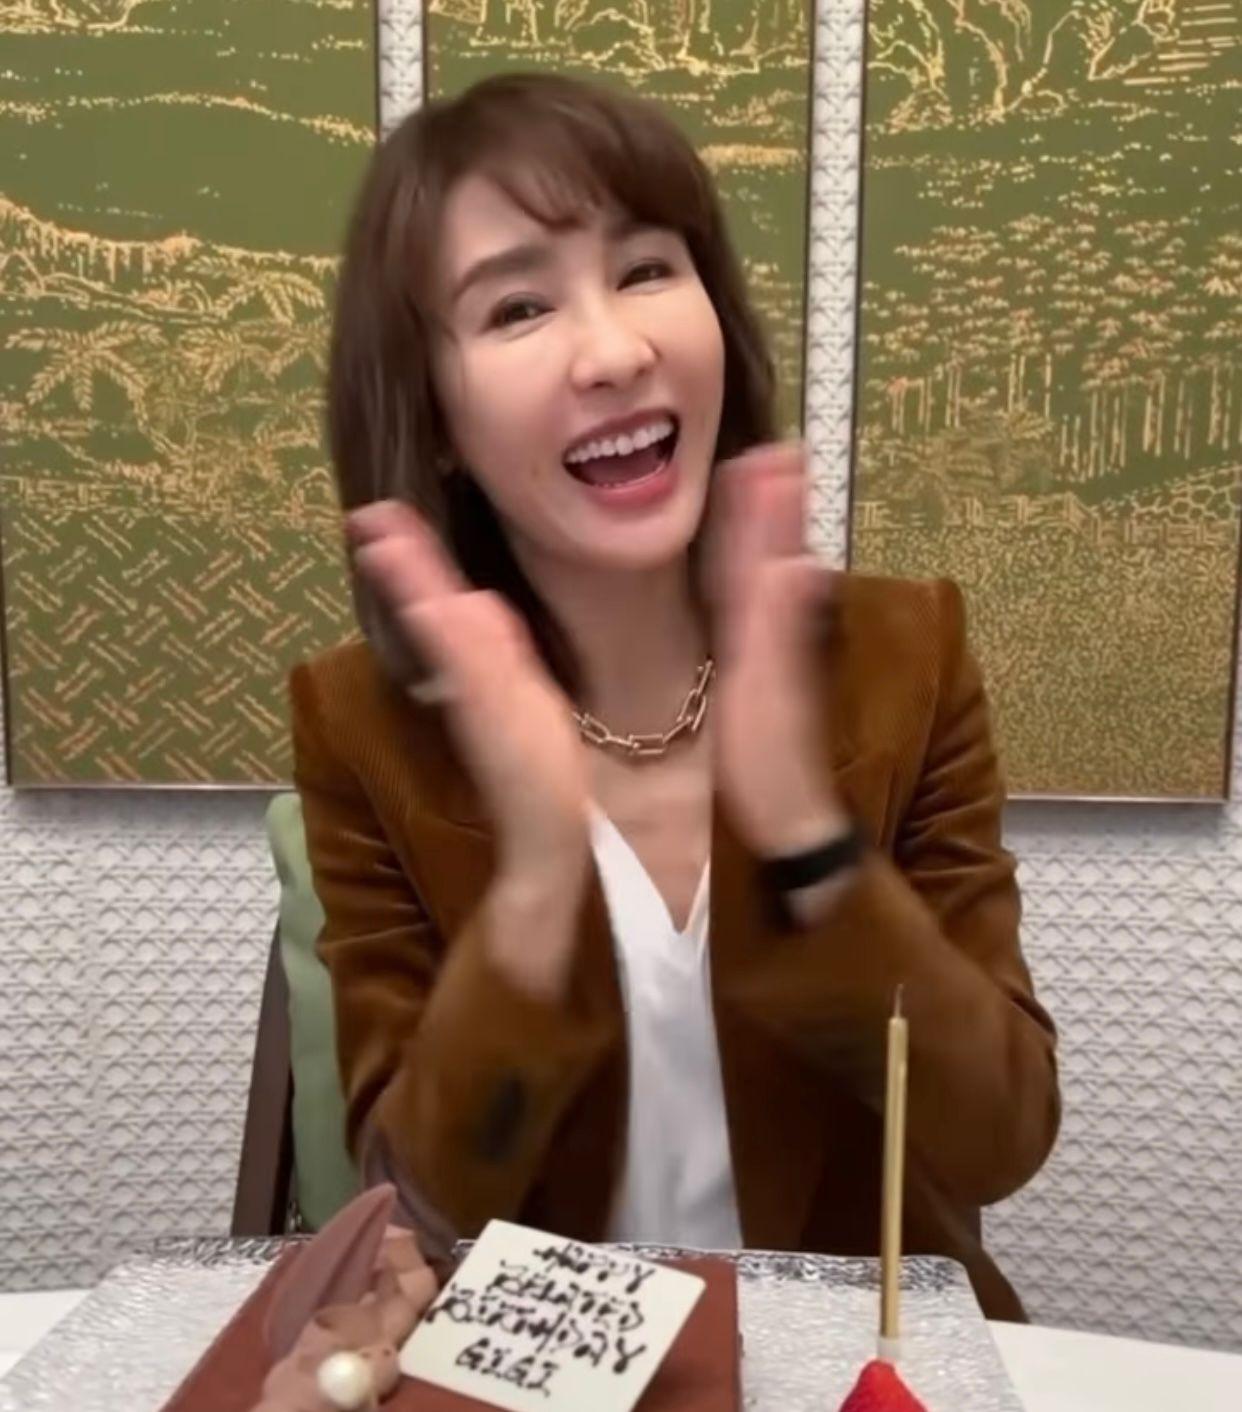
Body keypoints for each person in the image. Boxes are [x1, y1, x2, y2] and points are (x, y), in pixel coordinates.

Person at [290, 73, 1059, 1321]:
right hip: (549, 1379)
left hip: (853, 1367)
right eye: (519, 305)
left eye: (646, 268)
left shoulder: (905, 653)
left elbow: (1000, 1137)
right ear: (432, 419)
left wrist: (802, 830)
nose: (615, 350)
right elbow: (422, 1212)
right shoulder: (366, 724)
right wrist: (539, 875)